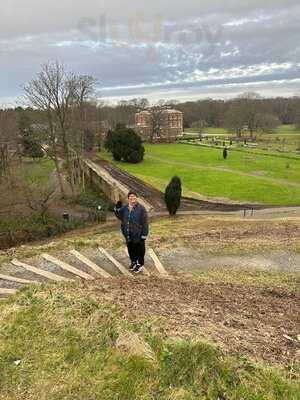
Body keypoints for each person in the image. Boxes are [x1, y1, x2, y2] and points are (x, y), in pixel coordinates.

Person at [114, 191, 149, 273]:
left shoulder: (141, 209)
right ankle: (133, 262)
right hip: (128, 234)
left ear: (136, 198)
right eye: (130, 197)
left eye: (134, 196)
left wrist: (144, 234)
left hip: (138, 233)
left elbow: (145, 222)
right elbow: (120, 216)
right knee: (131, 249)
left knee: (139, 250)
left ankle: (139, 264)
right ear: (128, 198)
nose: (132, 198)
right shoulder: (125, 208)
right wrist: (117, 208)